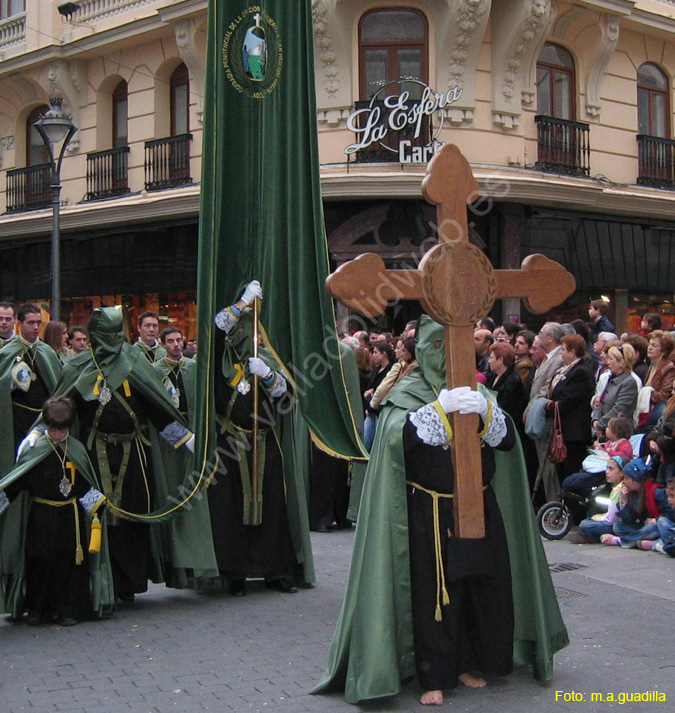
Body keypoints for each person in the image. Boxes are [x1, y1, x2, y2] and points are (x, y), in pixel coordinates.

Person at [313, 316, 568, 704]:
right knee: (436, 592)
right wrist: (435, 410)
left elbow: (505, 443)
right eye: (436, 349)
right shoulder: (407, 393)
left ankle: (469, 660)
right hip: (429, 511)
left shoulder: (478, 390)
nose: (446, 358)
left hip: (479, 503)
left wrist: (484, 411)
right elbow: (397, 441)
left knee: (478, 584)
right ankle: (434, 673)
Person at [22, 306, 197, 602]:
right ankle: (102, 581)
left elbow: (156, 407)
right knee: (95, 514)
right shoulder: (80, 366)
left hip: (133, 455)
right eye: (108, 335)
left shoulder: (134, 361)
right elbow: (63, 403)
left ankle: (128, 582)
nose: (114, 340)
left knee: (133, 517)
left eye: (118, 334)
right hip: (95, 452)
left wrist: (185, 437)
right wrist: (39, 430)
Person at [210, 281, 314, 596]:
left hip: (266, 442)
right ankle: (235, 572)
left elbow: (287, 400)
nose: (248, 336)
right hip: (232, 443)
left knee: (272, 506)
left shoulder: (268, 356)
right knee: (231, 508)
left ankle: (275, 570)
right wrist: (242, 302)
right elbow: (215, 329)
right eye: (241, 330)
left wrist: (269, 376)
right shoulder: (222, 359)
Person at [0, 396, 113, 624]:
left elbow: (83, 486)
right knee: (39, 560)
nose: (57, 434)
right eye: (52, 429)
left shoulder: (77, 450)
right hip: (40, 516)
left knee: (69, 563)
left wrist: (98, 504)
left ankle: (66, 609)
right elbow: (17, 482)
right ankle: (37, 609)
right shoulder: (36, 450)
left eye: (62, 430)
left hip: (69, 516)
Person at [152, 326, 218, 586]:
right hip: (171, 445)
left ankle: (199, 560)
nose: (176, 345)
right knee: (174, 492)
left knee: (196, 497)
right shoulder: (156, 372)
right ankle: (176, 562)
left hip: (195, 439)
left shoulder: (193, 369)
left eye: (179, 340)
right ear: (162, 344)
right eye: (170, 341)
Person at [0, 304, 62, 475]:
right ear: (19, 324)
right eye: (30, 323)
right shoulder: (7, 352)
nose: (35, 327)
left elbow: (58, 387)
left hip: (44, 419)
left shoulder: (47, 352)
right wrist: (10, 385)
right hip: (16, 421)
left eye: (38, 323)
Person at [546, 334, 595, 481]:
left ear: (572, 352)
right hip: (564, 430)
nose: (560, 352)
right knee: (562, 471)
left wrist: (546, 406)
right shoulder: (567, 369)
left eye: (563, 349)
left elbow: (569, 400)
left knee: (570, 471)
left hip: (574, 433)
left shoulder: (580, 372)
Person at [601, 458, 663, 548]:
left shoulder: (656, 492)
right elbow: (629, 519)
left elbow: (669, 513)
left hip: (658, 526)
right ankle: (644, 541)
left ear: (635, 479)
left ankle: (621, 541)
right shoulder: (633, 493)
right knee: (618, 526)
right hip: (643, 526)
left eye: (626, 478)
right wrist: (624, 500)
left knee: (651, 528)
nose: (624, 482)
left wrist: (655, 520)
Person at [578, 454, 628, 543]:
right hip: (618, 522)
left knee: (585, 524)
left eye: (611, 469)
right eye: (607, 468)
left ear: (621, 473)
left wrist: (599, 518)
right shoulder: (618, 486)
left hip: (617, 525)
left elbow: (611, 520)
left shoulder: (617, 490)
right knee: (590, 517)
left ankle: (595, 537)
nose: (607, 472)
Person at [591, 343, 639, 436]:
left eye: (611, 359)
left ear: (621, 362)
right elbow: (600, 402)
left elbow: (619, 409)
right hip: (604, 430)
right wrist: (595, 419)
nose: (608, 362)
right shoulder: (611, 378)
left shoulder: (629, 382)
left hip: (618, 432)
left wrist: (600, 424)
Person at [640, 330, 675, 429]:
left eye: (654, 346)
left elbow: (664, 395)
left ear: (663, 351)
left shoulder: (669, 368)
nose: (649, 348)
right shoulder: (652, 365)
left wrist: (647, 393)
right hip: (646, 410)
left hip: (655, 413)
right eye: (649, 344)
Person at [363, 340, 394, 450]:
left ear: (383, 354)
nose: (373, 355)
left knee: (377, 442)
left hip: (380, 410)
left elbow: (383, 390)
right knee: (365, 439)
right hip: (371, 410)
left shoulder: (391, 370)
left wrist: (373, 392)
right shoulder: (376, 369)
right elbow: (372, 387)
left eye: (376, 352)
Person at [486, 341, 526, 426]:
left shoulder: (513, 381)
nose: (489, 361)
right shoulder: (491, 377)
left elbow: (506, 409)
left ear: (500, 360)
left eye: (491, 358)